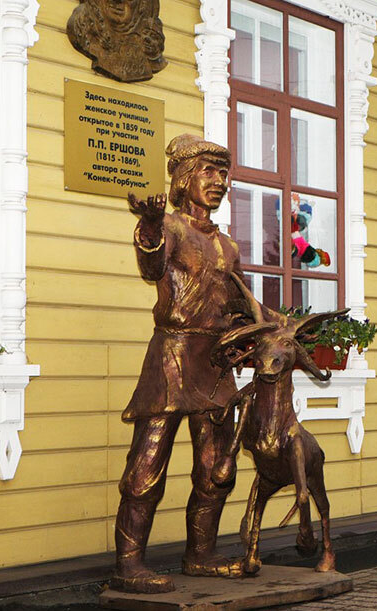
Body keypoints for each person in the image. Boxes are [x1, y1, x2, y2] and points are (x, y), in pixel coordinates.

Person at [112, 135, 246, 593]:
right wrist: (150, 228)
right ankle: (129, 564)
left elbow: (241, 306)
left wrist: (272, 330)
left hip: (215, 361)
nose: (219, 181)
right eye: (209, 171)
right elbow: (151, 269)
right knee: (147, 466)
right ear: (184, 178)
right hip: (171, 357)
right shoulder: (168, 227)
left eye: (223, 173)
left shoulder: (228, 246)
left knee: (216, 468)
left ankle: (201, 555)